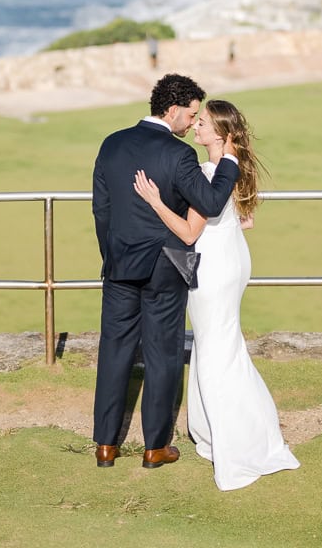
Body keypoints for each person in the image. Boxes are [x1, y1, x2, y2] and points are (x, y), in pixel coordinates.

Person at [133, 99, 300, 491]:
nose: (195, 127)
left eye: (203, 123)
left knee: (214, 350)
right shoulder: (231, 165)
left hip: (213, 268)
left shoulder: (211, 172)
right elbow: (247, 219)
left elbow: (189, 232)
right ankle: (224, 431)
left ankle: (235, 442)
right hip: (232, 258)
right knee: (225, 345)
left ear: (221, 134)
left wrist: (155, 201)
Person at [91, 73, 240, 470]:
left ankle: (106, 445)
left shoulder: (112, 143)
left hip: (119, 263)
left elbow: (101, 210)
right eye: (191, 115)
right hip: (164, 267)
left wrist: (113, 255)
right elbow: (209, 200)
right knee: (162, 354)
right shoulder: (178, 155)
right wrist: (228, 162)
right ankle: (154, 448)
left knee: (114, 350)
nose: (192, 123)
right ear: (172, 110)